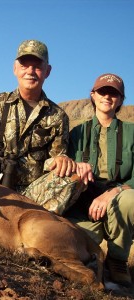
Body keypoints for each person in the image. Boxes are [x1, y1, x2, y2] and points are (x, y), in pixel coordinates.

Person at [0, 39, 81, 214]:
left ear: (47, 71)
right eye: (25, 65)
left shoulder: (58, 116)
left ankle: (37, 220)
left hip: (32, 197)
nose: (30, 72)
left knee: (74, 177)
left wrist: (62, 160)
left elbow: (55, 160)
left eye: (37, 66)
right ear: (15, 68)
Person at [65, 73, 134, 287]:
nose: (107, 96)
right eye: (102, 91)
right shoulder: (76, 133)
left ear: (121, 99)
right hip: (84, 204)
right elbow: (63, 168)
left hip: (119, 198)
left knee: (129, 199)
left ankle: (118, 260)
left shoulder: (132, 132)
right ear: (93, 95)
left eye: (113, 93)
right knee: (73, 253)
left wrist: (113, 192)